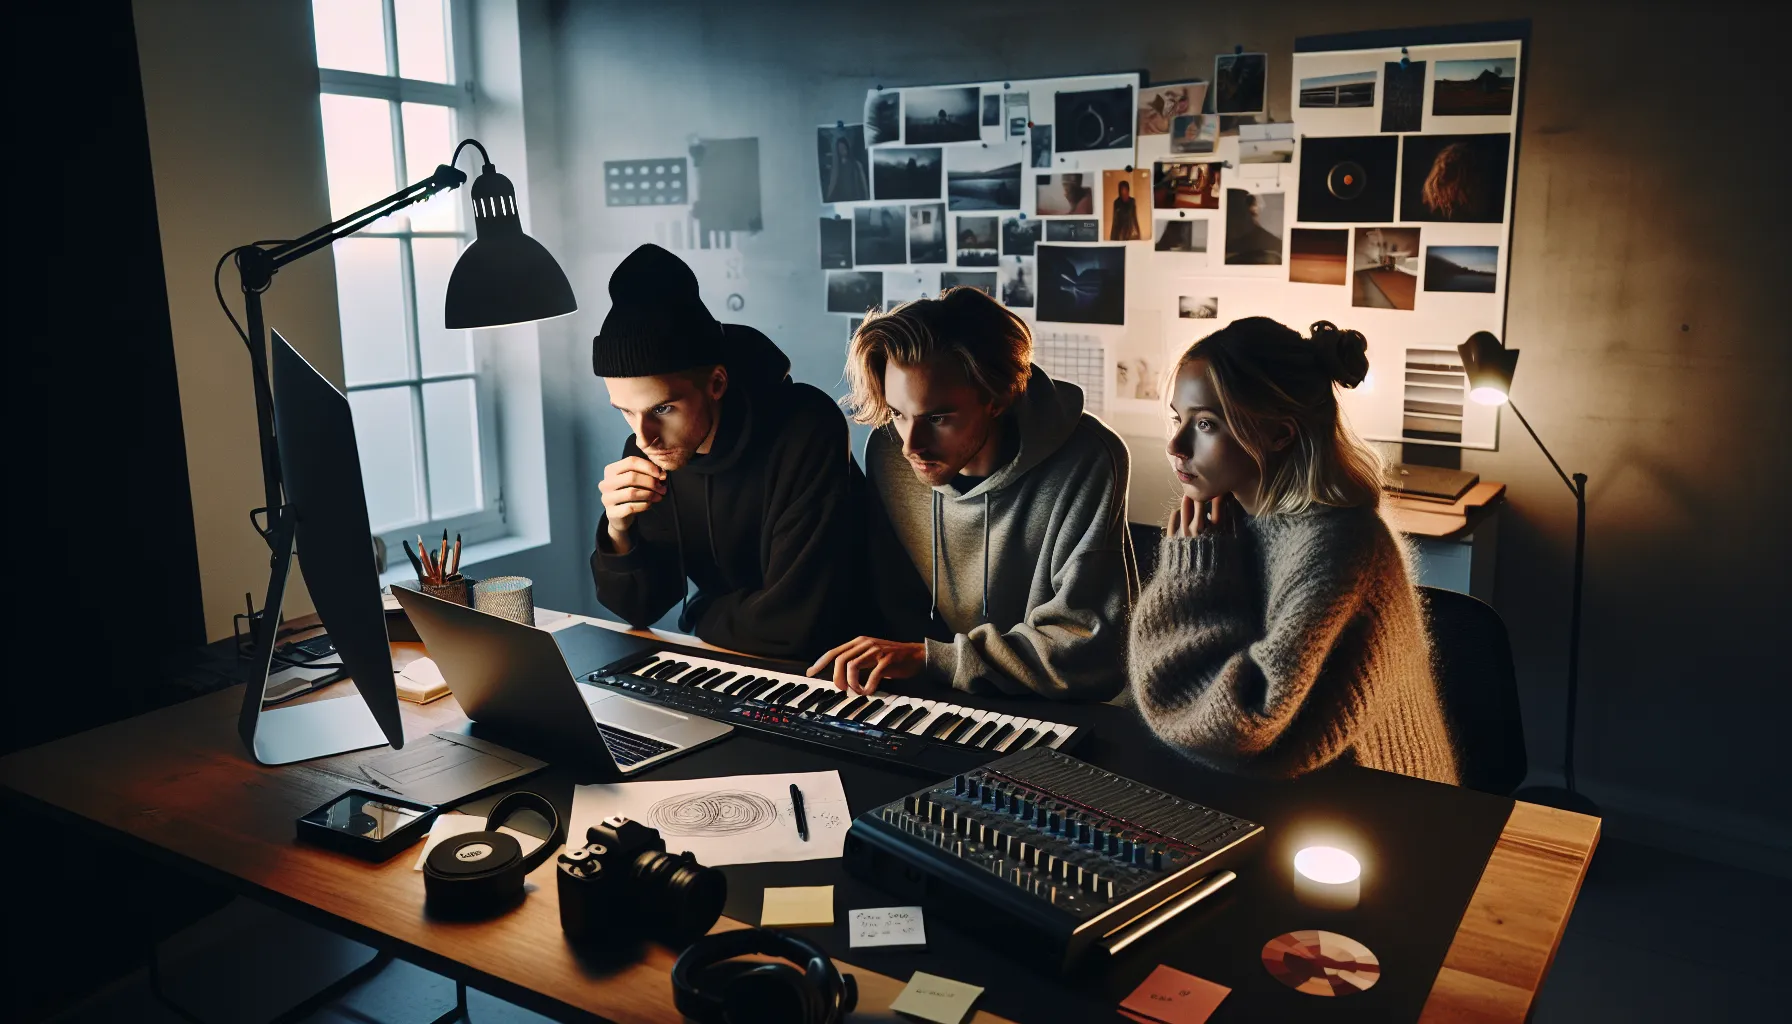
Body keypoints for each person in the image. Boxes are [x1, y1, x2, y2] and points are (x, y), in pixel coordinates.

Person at [1129, 318, 1459, 783]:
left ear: (1280, 434)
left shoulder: (1340, 547)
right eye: (1177, 418)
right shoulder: (1228, 519)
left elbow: (1238, 724)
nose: (1176, 445)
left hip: (1375, 799)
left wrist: (1191, 584)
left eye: (1205, 423)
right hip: (1277, 791)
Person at [807, 287, 1137, 700]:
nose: (912, 445)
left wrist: (935, 658)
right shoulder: (889, 452)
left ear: (997, 399)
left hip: (1052, 706)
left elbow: (1092, 653)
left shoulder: (1089, 459)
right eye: (898, 413)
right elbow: (890, 607)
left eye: (939, 417)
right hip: (931, 697)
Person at [589, 244, 858, 660]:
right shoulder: (651, 451)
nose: (644, 436)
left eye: (663, 408)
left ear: (716, 383)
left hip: (849, 671)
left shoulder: (806, 427)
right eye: (625, 410)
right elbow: (639, 610)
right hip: (737, 663)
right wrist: (619, 532)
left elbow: (796, 625)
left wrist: (702, 612)